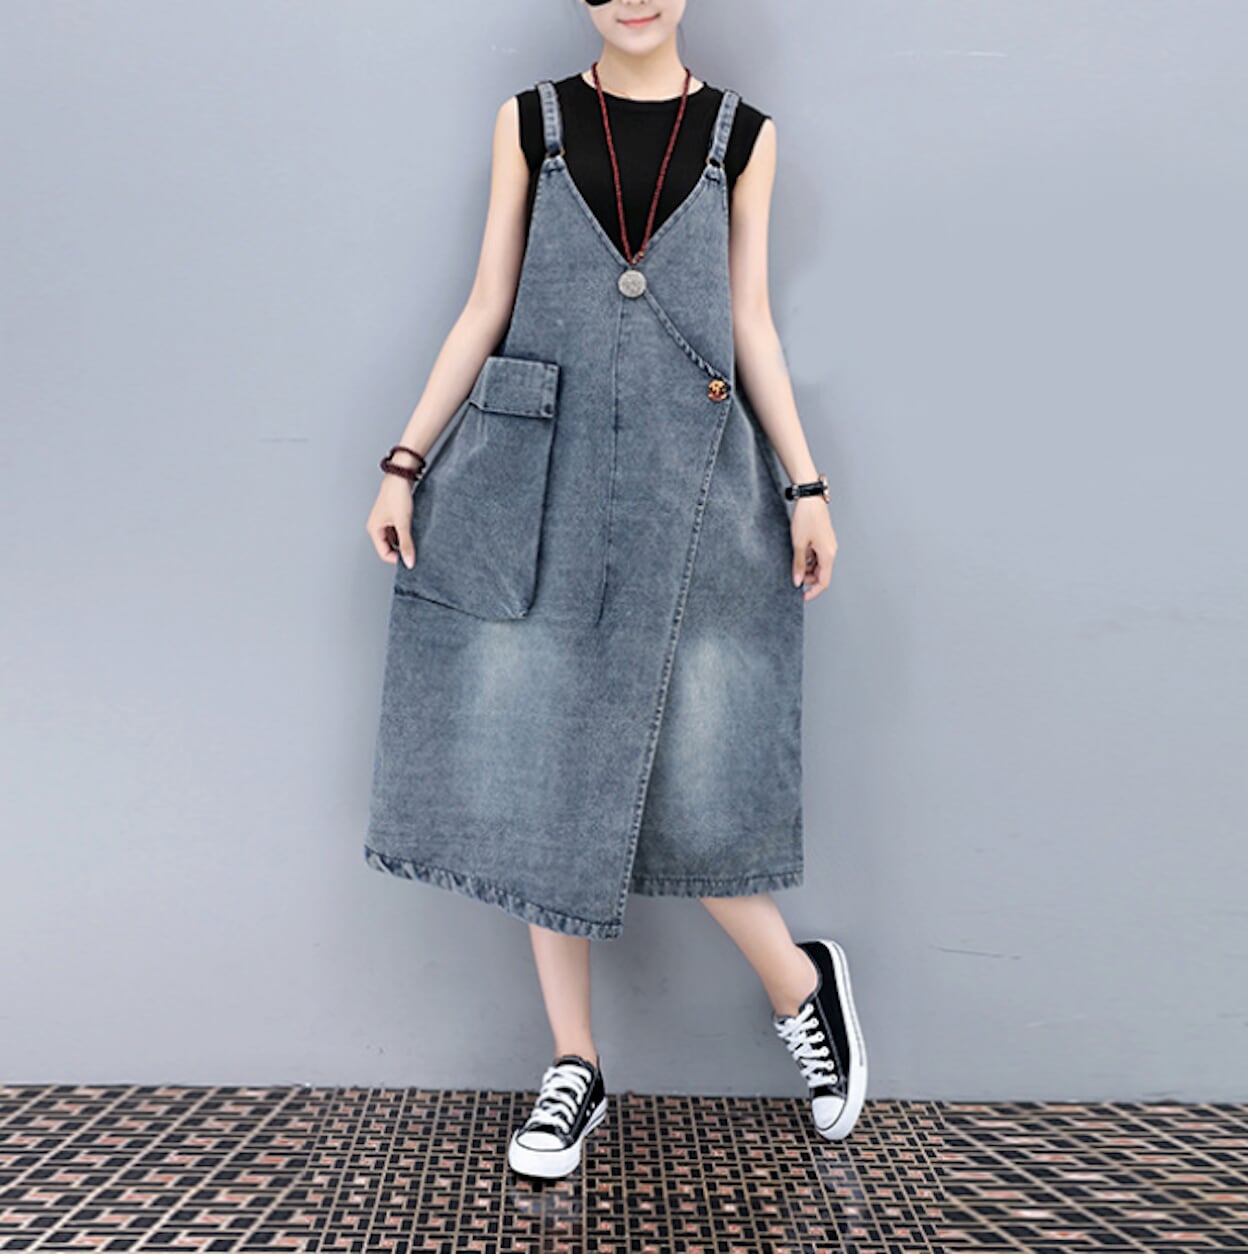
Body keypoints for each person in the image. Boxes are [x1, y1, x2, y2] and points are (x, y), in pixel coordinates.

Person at [363, 0, 867, 1179]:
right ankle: (574, 1066)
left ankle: (801, 985)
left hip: (692, 488)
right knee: (540, 767)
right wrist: (404, 460)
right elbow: (487, 304)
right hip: (537, 481)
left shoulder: (742, 138)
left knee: (695, 769)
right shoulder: (531, 123)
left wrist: (807, 486)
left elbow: (750, 324)